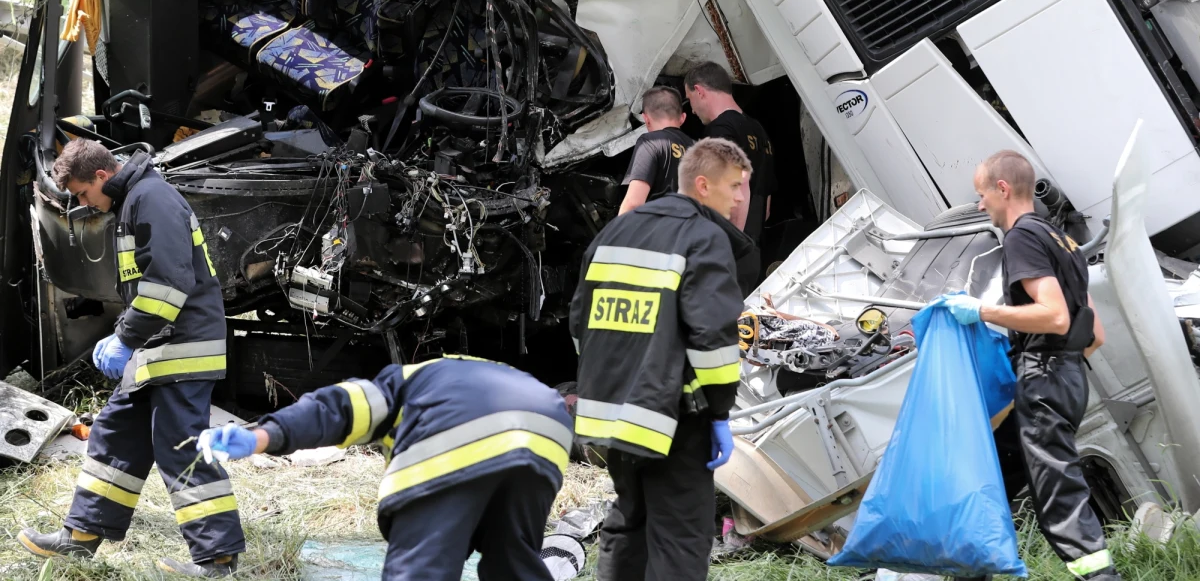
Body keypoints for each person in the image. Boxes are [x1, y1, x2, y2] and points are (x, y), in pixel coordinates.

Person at [19, 140, 243, 577]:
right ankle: (81, 537)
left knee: (181, 449)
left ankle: (217, 561)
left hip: (182, 349)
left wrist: (123, 338)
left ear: (102, 176)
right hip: (159, 349)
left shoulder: (151, 199)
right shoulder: (134, 200)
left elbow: (167, 284)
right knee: (115, 434)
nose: (84, 204)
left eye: (83, 193)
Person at [194, 356, 573, 581]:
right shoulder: (477, 371)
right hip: (548, 431)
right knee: (514, 563)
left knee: (421, 569)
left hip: (459, 426)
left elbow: (336, 410)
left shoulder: (398, 383)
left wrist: (263, 436)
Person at [571, 137, 754, 581]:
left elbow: (581, 319)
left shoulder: (617, 230)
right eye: (734, 186)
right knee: (682, 535)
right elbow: (714, 337)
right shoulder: (704, 237)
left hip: (613, 416)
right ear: (704, 184)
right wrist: (719, 413)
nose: (739, 198)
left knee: (629, 523)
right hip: (673, 419)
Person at [940, 150, 1119, 581]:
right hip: (1068, 377)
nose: (980, 204)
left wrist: (982, 312)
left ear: (1002, 189)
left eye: (982, 194)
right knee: (993, 474)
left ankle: (1102, 577)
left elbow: (1054, 315)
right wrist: (1059, 368)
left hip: (1045, 381)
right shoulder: (1060, 239)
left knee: (1060, 504)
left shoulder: (1020, 237)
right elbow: (1094, 332)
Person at [684, 62, 777, 294]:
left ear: (700, 91)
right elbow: (765, 207)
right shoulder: (759, 130)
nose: (693, 110)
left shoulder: (721, 130)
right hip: (753, 254)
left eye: (690, 99)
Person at [619, 86, 694, 215]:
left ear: (646, 119)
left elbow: (634, 203)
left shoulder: (650, 142)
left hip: (661, 231)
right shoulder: (700, 148)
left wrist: (617, 233)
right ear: (682, 118)